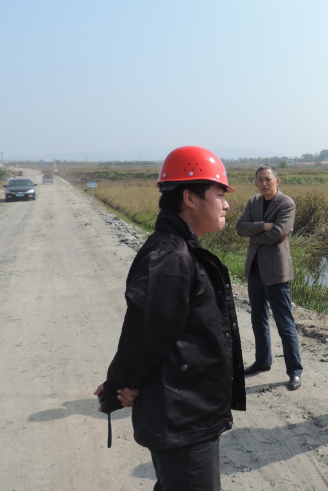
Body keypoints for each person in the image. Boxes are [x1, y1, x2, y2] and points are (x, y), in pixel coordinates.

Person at [94, 146, 246, 491]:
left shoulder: (182, 250)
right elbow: (144, 336)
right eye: (220, 194)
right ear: (190, 198)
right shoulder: (170, 256)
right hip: (182, 418)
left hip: (189, 412)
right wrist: (119, 387)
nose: (226, 204)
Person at [235, 165, 303, 390]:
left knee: (284, 323)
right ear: (256, 183)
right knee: (258, 319)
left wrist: (254, 236)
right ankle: (263, 361)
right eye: (260, 180)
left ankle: (294, 371)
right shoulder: (253, 202)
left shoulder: (286, 203)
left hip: (276, 270)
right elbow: (240, 227)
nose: (264, 183)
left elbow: (278, 235)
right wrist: (263, 226)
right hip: (254, 269)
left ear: (277, 181)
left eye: (268, 179)